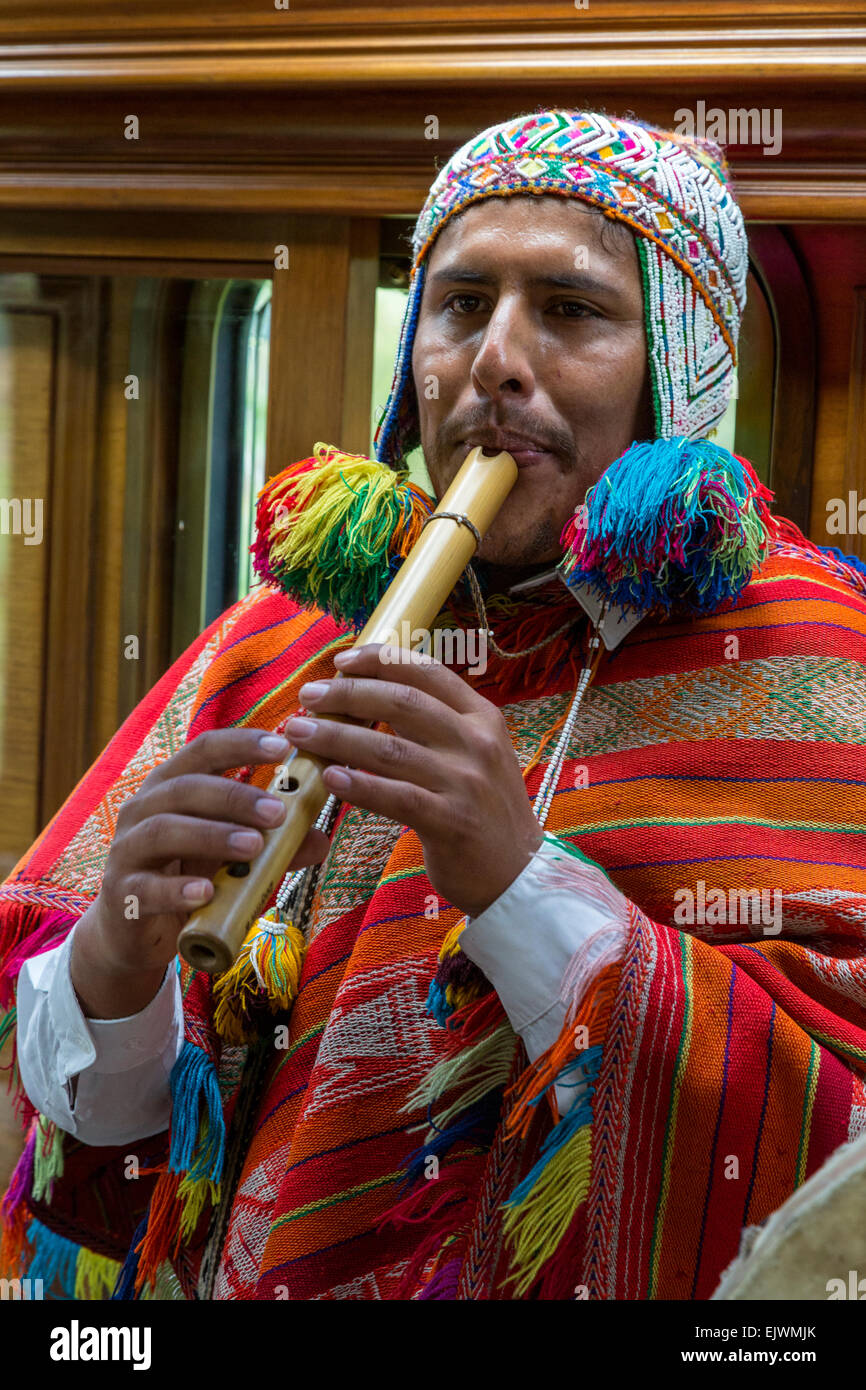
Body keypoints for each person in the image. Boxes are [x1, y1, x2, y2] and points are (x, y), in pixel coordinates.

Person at [2, 108, 866, 1302]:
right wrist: (118, 963)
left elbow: (832, 1158)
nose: (490, 362)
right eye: (459, 305)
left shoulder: (815, 657)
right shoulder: (281, 641)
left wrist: (518, 884)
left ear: (679, 366)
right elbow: (126, 1157)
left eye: (568, 311)